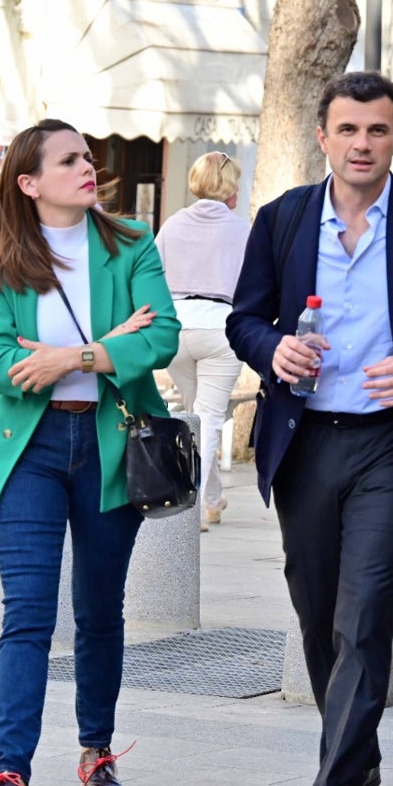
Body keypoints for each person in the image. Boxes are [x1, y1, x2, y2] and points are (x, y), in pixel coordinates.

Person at [226, 71, 393, 786]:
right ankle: (358, 748)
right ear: (323, 136)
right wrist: (273, 350)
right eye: (348, 129)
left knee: (364, 609)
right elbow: (243, 319)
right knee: (315, 609)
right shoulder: (282, 219)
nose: (362, 144)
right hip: (304, 439)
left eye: (377, 130)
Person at [0, 119, 180, 786]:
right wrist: (107, 344)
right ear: (30, 183)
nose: (88, 167)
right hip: (29, 451)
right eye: (68, 161)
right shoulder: (8, 259)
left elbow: (162, 337)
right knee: (26, 614)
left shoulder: (129, 243)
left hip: (110, 444)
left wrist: (70, 358)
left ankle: (96, 748)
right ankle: (10, 773)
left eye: (87, 156)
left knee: (98, 611)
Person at [155, 151, 251, 532]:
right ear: (229, 186)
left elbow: (153, 277)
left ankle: (212, 499)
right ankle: (191, 505)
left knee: (197, 415)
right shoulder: (242, 230)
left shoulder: (172, 225)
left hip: (176, 329)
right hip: (221, 328)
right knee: (208, 419)